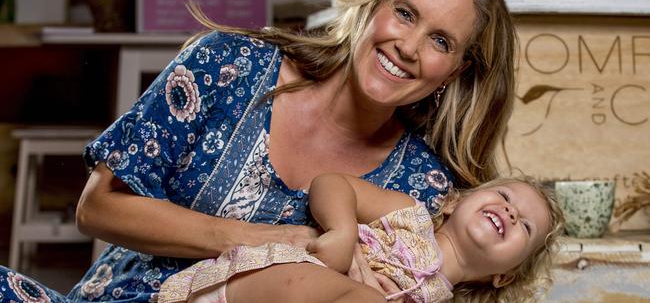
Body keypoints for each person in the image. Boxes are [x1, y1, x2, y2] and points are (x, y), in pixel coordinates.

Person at [0, 0, 516, 303]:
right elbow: (97, 208)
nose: (409, 46)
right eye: (405, 13)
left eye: (441, 41)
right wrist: (265, 239)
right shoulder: (229, 65)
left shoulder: (421, 189)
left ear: (457, 70)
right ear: (374, 0)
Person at [158, 174, 564, 303]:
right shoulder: (408, 215)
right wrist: (342, 231)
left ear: (505, 276)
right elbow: (332, 183)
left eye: (525, 226)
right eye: (506, 197)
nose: (511, 212)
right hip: (258, 286)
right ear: (454, 202)